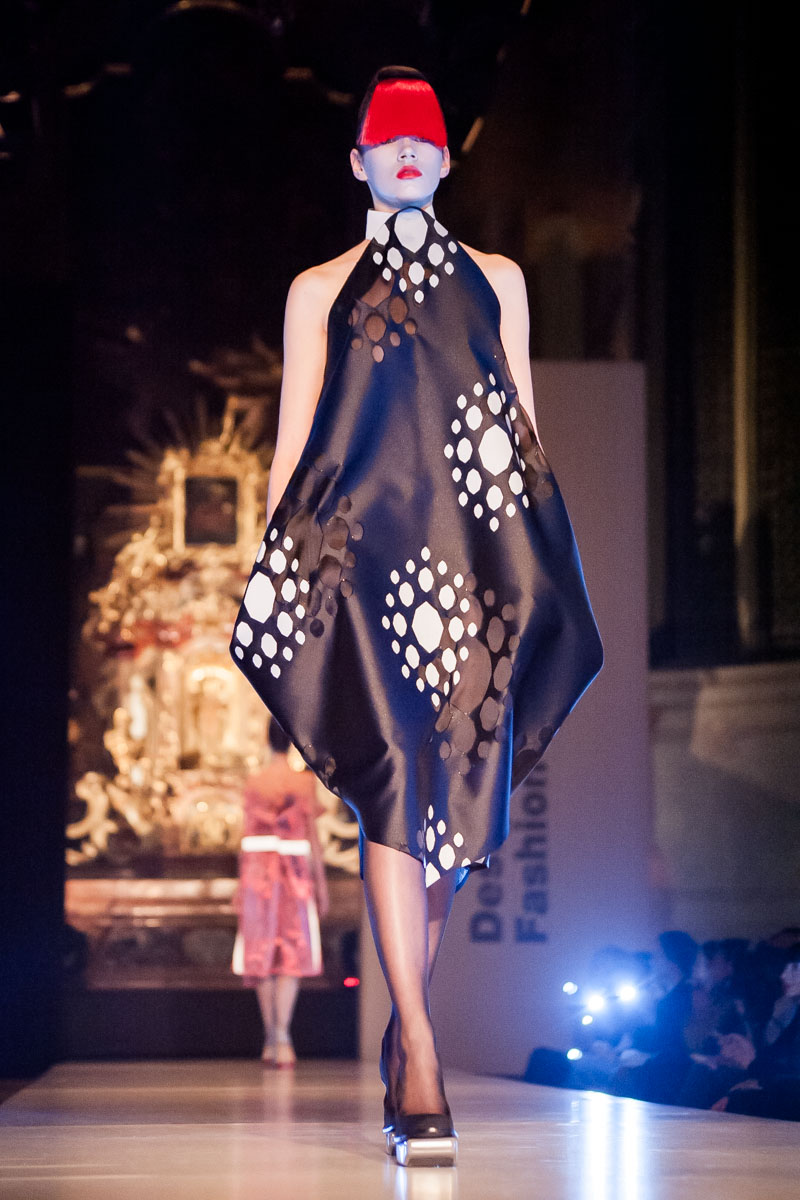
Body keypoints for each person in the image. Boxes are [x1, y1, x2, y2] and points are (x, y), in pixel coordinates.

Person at [230, 66, 602, 1165]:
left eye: (424, 138)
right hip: (359, 567)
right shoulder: (319, 289)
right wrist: (274, 574)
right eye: (387, 138)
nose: (406, 151)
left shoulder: (498, 279)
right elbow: (295, 438)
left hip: (475, 571)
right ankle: (424, 1051)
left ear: (444, 160)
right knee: (394, 785)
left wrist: (545, 564)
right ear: (357, 161)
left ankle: (406, 1027)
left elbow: (522, 425)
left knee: (447, 821)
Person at [232, 717, 329, 1068]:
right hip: (294, 876)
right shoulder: (303, 782)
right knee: (291, 953)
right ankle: (283, 1037)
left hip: (258, 875)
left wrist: (240, 885)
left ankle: (270, 1038)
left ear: (266, 739)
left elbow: (244, 837)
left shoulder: (254, 781)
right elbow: (313, 838)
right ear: (292, 741)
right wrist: (321, 885)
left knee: (261, 954)